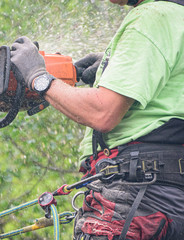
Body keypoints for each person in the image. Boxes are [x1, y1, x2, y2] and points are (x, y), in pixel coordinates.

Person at [10, 0, 184, 239]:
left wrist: (38, 77)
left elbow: (103, 113)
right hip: (170, 199)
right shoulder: (177, 16)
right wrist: (115, 69)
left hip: (137, 199)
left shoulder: (153, 16)